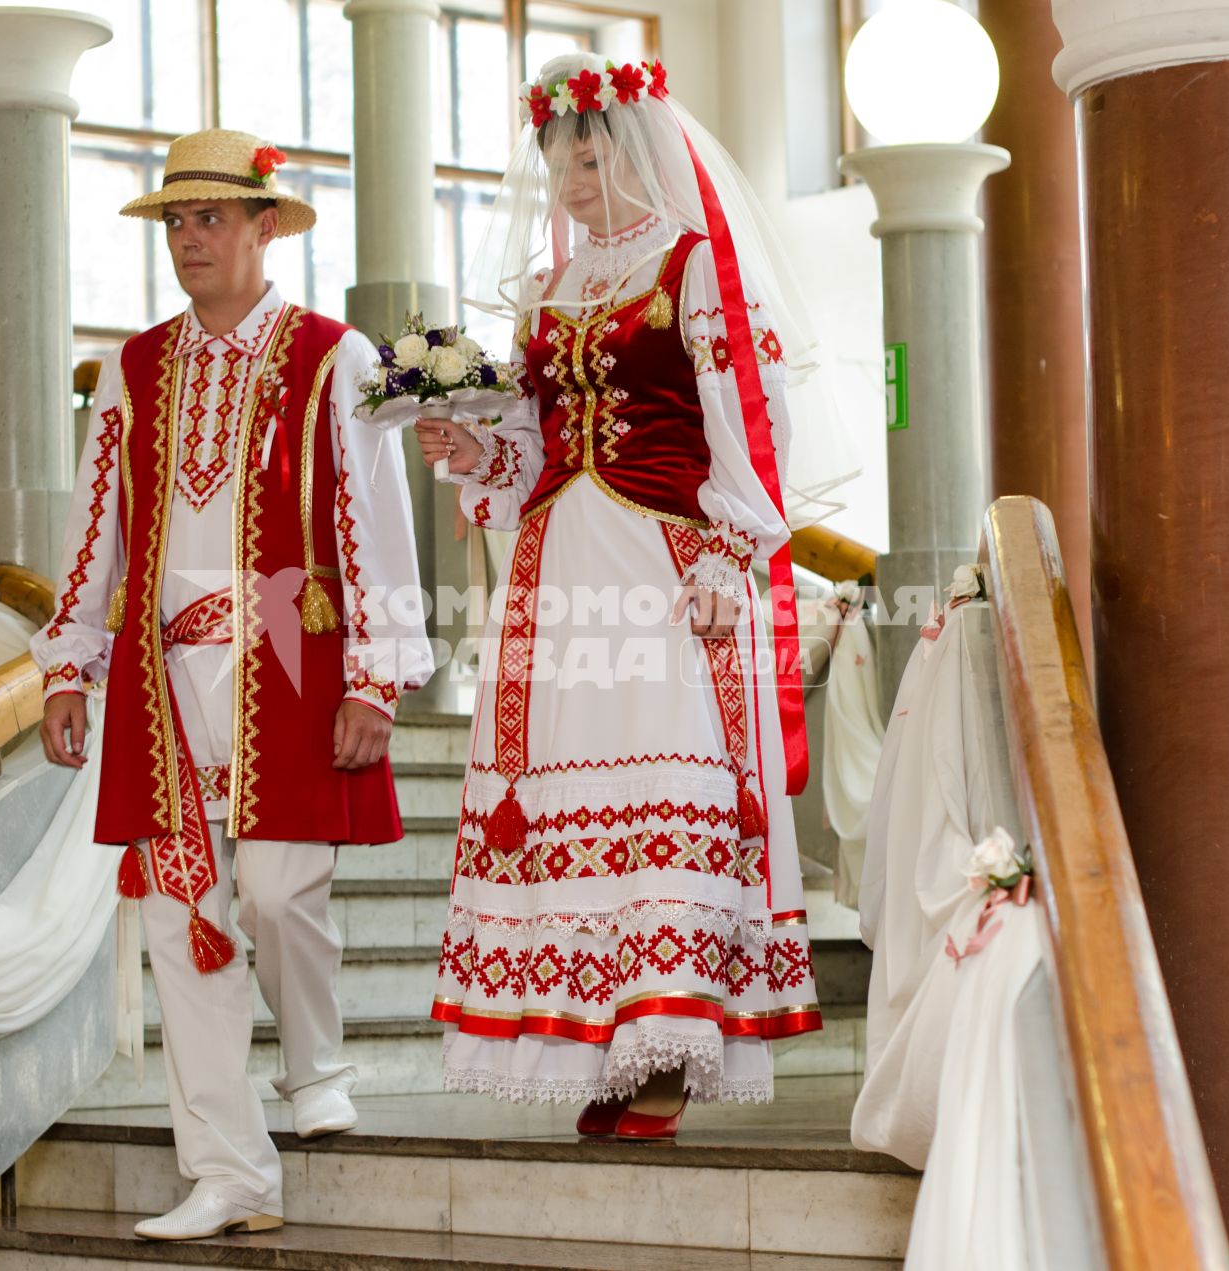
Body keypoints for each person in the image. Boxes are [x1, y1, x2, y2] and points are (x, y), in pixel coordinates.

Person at [417, 53, 830, 1139]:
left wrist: (724, 554)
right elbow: (529, 450)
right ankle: (602, 1027)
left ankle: (669, 1024)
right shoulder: (552, 292)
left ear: (636, 150)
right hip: (558, 566)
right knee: (560, 790)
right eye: (559, 164)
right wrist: (473, 446)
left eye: (589, 158)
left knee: (667, 769)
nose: (571, 183)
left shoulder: (695, 267)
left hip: (662, 559)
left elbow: (753, 417)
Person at [30, 128, 432, 1240]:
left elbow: (375, 525)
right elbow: (94, 525)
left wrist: (375, 676)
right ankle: (227, 1169)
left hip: (291, 653)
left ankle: (318, 1063)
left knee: (273, 891)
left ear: (266, 226)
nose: (189, 238)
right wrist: (70, 661)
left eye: (211, 217)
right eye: (175, 220)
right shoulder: (132, 366)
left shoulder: (332, 355)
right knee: (178, 923)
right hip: (163, 677)